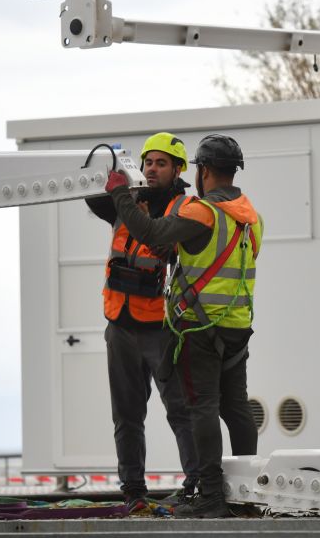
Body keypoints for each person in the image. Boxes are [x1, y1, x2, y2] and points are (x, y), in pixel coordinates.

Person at [104, 133, 263, 518]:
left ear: (201, 170)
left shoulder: (199, 210)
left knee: (199, 408)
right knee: (235, 408)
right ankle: (245, 491)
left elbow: (153, 233)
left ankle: (208, 496)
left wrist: (121, 195)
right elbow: (217, 257)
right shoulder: (251, 216)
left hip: (197, 328)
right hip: (237, 325)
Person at [86, 132, 199, 507]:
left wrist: (126, 197)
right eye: (148, 162)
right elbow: (90, 194)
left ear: (177, 170)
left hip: (161, 329)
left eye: (160, 163)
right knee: (127, 416)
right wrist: (111, 169)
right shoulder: (127, 201)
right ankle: (133, 491)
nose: (152, 169)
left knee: (181, 411)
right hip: (119, 324)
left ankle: (196, 485)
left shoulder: (184, 210)